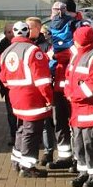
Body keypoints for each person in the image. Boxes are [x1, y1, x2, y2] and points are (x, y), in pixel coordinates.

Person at [0, 21, 53, 178]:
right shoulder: (33, 51)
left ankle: (17, 160)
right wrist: (49, 98)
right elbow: (42, 80)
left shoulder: (6, 52)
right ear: (28, 32)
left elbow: (3, 78)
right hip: (32, 98)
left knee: (22, 129)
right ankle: (28, 166)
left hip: (16, 97)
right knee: (32, 132)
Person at [63, 25, 93, 187]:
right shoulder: (76, 55)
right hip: (77, 110)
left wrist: (73, 95)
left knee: (91, 145)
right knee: (79, 144)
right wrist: (69, 93)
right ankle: (83, 172)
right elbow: (68, 77)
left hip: (91, 110)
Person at [46, 0, 82, 169]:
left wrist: (55, 56)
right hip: (60, 85)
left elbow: (79, 54)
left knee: (73, 123)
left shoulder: (79, 28)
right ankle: (65, 156)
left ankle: (77, 158)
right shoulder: (56, 35)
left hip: (73, 87)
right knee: (60, 122)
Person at [27, 16, 56, 165]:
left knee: (46, 124)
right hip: (29, 92)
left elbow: (51, 66)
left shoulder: (47, 46)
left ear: (38, 29)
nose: (26, 30)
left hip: (43, 89)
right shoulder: (25, 45)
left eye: (29, 27)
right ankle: (29, 154)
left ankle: (48, 152)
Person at [0, 22, 19, 146]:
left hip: (23, 86)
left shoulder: (23, 44)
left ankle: (27, 136)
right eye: (8, 32)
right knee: (11, 113)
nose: (11, 34)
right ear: (5, 33)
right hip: (8, 87)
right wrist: (3, 75)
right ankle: (14, 136)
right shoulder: (1, 45)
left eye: (13, 31)